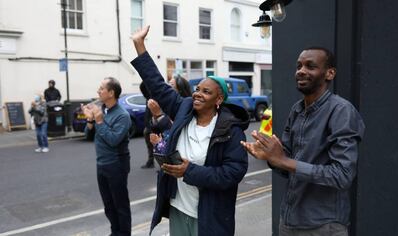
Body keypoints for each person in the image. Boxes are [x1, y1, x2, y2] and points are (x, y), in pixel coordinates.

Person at [131, 26, 250, 236]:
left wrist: (189, 172)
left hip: (209, 216)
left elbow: (232, 173)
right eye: (197, 90)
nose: (198, 94)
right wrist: (139, 45)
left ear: (219, 99)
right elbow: (157, 85)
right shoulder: (184, 108)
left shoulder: (231, 130)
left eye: (206, 92)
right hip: (179, 208)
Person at [241, 47, 365, 236]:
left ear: (329, 73)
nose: (301, 70)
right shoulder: (297, 109)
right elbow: (288, 165)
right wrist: (271, 157)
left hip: (323, 226)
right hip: (289, 221)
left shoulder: (341, 111)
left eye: (310, 66)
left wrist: (283, 160)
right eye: (299, 65)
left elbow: (342, 175)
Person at [82, 77, 132, 236]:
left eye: (102, 88)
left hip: (116, 164)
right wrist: (90, 119)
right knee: (108, 205)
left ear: (111, 93)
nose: (98, 91)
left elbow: (113, 140)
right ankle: (114, 231)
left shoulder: (122, 115)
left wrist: (99, 121)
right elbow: (89, 136)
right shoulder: (101, 110)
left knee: (120, 205)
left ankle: (123, 233)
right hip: (101, 163)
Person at [140, 82, 156, 169]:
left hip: (153, 126)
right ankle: (151, 161)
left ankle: (163, 165)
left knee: (158, 145)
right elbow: (142, 87)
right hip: (148, 126)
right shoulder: (148, 97)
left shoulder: (154, 97)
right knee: (150, 146)